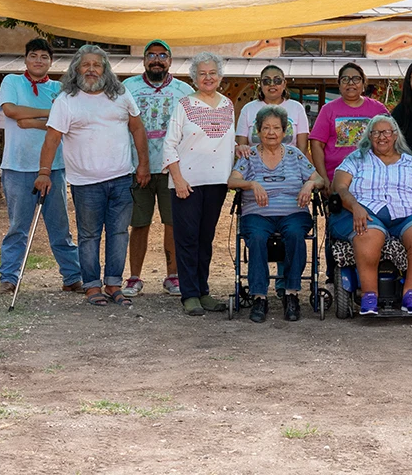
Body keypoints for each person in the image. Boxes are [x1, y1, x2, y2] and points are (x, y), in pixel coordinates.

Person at [34, 45, 149, 307]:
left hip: (121, 178)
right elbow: (52, 140)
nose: (91, 69)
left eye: (97, 64)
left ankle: (113, 284)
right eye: (86, 65)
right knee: (89, 236)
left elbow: (138, 129)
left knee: (119, 233)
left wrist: (143, 164)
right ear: (76, 69)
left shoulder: (121, 95)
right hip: (86, 183)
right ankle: (91, 286)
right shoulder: (66, 100)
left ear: (105, 69)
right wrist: (44, 173)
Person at [0, 38, 82, 295]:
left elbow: (66, 124)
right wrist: (48, 114)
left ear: (51, 61)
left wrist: (31, 120)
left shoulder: (60, 88)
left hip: (54, 167)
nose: (38, 61)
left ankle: (72, 276)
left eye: (44, 56)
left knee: (60, 227)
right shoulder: (12, 81)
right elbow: (10, 111)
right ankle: (9, 277)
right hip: (17, 166)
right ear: (26, 59)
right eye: (34, 55)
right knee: (17, 226)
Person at [331, 114, 412, 316]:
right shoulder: (356, 160)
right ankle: (369, 296)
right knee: (367, 232)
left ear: (395, 136)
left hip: (408, 214)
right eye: (376, 133)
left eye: (386, 132)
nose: (381, 137)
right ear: (369, 136)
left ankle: (411, 295)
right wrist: (355, 206)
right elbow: (339, 186)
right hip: (367, 212)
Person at [228, 105, 324, 323]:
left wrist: (309, 186)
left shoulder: (294, 154)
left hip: (293, 213)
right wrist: (251, 184)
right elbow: (231, 181)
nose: (271, 132)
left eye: (276, 128)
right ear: (258, 132)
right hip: (257, 214)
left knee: (295, 235)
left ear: (284, 132)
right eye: (266, 128)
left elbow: (319, 179)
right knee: (258, 237)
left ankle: (291, 294)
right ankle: (259, 296)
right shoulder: (249, 155)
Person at [163, 52, 237, 316]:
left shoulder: (228, 104)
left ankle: (203, 291)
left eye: (212, 73)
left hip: (217, 183)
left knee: (205, 239)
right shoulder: (184, 105)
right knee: (187, 239)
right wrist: (179, 179)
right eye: (202, 73)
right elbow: (169, 144)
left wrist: (241, 150)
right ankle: (189, 295)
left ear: (220, 76)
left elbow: (224, 142)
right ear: (195, 78)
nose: (208, 78)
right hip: (187, 183)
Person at [121, 39, 194, 298]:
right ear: (143, 60)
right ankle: (134, 277)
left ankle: (173, 276)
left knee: (173, 224)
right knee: (139, 224)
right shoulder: (127, 88)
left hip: (172, 170)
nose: (156, 60)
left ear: (170, 61)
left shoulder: (184, 91)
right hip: (137, 167)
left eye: (162, 55)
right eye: (151, 55)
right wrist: (139, 165)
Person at [308, 62, 389, 193]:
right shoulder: (328, 110)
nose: (351, 83)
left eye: (356, 79)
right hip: (335, 178)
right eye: (345, 79)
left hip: (372, 179)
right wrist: (323, 178)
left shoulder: (377, 109)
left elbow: (391, 139)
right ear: (339, 85)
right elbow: (316, 144)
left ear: (363, 84)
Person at [236, 64, 310, 157]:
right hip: (256, 167)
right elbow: (242, 146)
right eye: (266, 81)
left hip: (290, 167)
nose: (272, 84)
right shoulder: (248, 109)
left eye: (277, 80)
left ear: (284, 84)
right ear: (261, 84)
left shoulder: (297, 108)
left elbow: (302, 147)